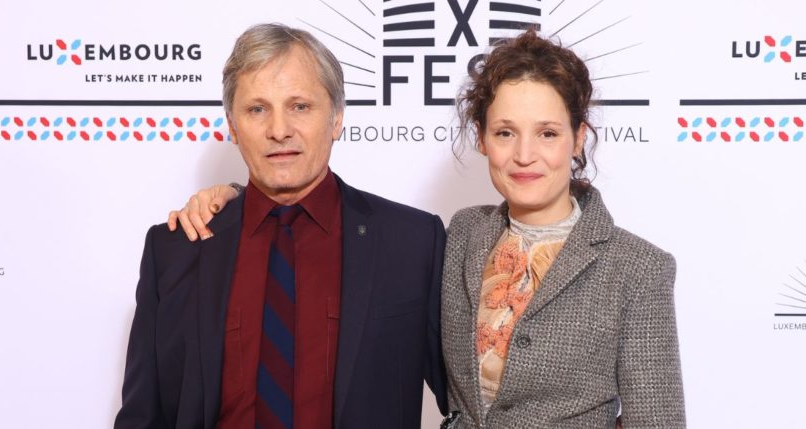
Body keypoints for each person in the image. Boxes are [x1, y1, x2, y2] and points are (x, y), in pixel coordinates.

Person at [172, 29, 685, 428]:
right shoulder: (461, 236)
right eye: (505, 132)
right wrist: (235, 200)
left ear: (579, 138)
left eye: (548, 133)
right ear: (482, 138)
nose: (525, 154)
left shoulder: (637, 268)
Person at [115, 23, 447, 429]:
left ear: (337, 118)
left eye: (300, 106)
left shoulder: (412, 243)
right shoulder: (178, 248)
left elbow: (471, 401)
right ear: (233, 126)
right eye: (257, 109)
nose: (279, 130)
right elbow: (141, 416)